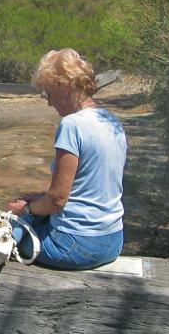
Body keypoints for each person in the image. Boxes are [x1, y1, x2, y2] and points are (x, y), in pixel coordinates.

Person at [7, 48, 127, 270]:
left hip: (75, 245)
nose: (49, 103)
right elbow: (88, 189)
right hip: (113, 240)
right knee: (32, 215)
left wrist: (25, 210)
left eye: (48, 93)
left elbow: (57, 200)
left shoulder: (72, 125)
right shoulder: (112, 121)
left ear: (64, 87)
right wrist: (35, 199)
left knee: (4, 230)